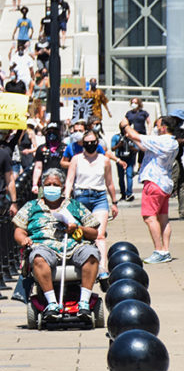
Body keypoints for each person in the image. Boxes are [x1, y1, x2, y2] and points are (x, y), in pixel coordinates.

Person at [13, 168, 101, 324]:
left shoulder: (74, 205)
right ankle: (52, 303)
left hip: (73, 246)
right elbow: (19, 230)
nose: (51, 187)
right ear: (42, 186)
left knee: (91, 253)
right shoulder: (31, 206)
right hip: (44, 246)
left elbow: (94, 232)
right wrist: (23, 239)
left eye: (55, 184)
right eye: (48, 184)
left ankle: (84, 302)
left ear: (62, 187)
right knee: (38, 258)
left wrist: (78, 228)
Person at [118, 114, 182, 264]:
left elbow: (136, 135)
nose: (156, 127)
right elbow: (142, 144)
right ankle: (165, 250)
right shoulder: (172, 142)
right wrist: (131, 135)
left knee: (149, 217)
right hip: (165, 183)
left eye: (158, 125)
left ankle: (158, 250)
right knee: (163, 218)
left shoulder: (161, 140)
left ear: (164, 127)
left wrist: (125, 125)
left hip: (153, 183)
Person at [64, 130, 118, 278]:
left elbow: (109, 183)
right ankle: (83, 264)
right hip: (81, 197)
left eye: (93, 142)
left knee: (99, 235)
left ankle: (102, 268)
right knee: (81, 233)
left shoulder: (104, 160)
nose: (90, 145)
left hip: (99, 197)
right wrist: (66, 199)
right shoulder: (76, 159)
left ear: (97, 143)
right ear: (82, 144)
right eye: (87, 143)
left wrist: (114, 202)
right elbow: (69, 181)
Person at [110, 128, 137, 202]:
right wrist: (119, 145)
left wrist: (132, 148)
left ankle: (129, 193)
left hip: (129, 159)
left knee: (129, 175)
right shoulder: (116, 137)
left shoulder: (132, 137)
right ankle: (123, 194)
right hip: (120, 159)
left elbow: (137, 149)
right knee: (121, 177)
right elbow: (112, 148)